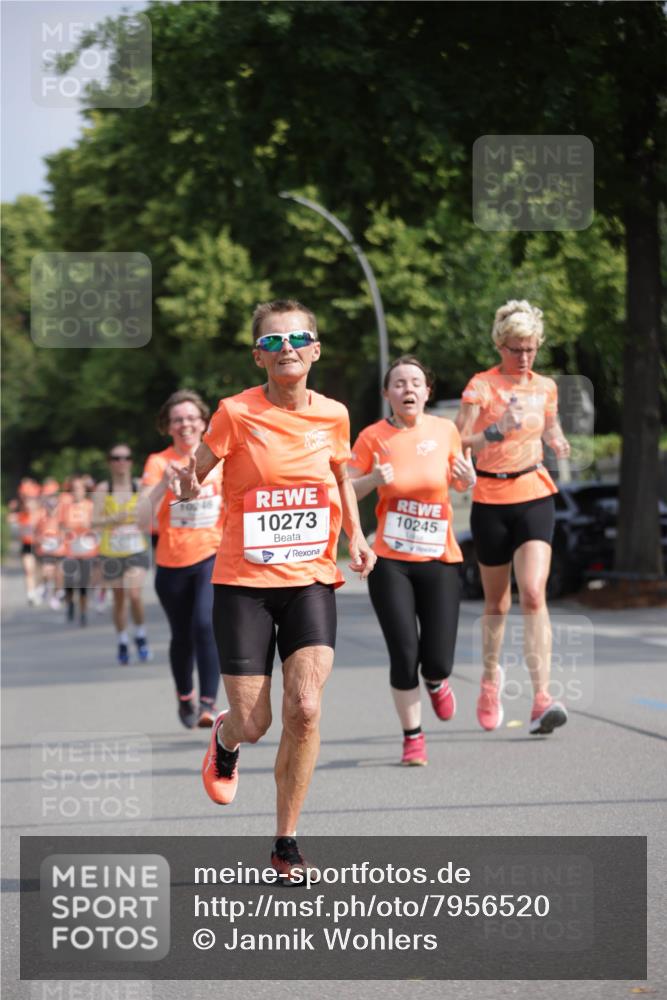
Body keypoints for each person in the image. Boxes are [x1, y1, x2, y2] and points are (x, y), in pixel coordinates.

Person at [174, 299, 375, 878]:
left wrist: (357, 537)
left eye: (298, 339)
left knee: (306, 708)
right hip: (244, 583)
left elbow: (340, 474)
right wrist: (186, 485)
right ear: (258, 355)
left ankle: (286, 841)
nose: (286, 349)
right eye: (273, 342)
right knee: (256, 722)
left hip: (312, 576)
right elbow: (195, 483)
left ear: (315, 349)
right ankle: (226, 736)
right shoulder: (234, 413)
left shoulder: (334, 415)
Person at [349, 356, 476, 766]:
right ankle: (413, 737)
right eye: (399, 383)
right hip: (390, 561)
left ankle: (437, 681)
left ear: (426, 392)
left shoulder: (445, 431)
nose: (408, 389)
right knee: (404, 653)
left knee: (437, 658)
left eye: (416, 382)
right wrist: (373, 480)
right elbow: (346, 489)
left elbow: (456, 481)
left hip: (439, 557)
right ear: (387, 394)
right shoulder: (372, 436)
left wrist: (468, 481)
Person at [456, 300, 571, 735]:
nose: (523, 358)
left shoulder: (545, 387)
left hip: (535, 492)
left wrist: (558, 441)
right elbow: (458, 440)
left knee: (536, 593)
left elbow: (550, 424)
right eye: (515, 349)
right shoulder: (480, 386)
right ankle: (489, 681)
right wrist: (495, 429)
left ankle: (543, 697)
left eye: (530, 349)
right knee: (497, 604)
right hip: (490, 497)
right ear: (500, 345)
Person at [137, 390, 224, 728]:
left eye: (191, 418)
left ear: (203, 423)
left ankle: (207, 704)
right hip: (172, 563)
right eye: (177, 420)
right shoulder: (158, 462)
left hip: (211, 555)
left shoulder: (219, 459)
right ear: (168, 427)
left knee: (205, 624)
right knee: (182, 635)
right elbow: (141, 516)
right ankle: (184, 695)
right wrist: (162, 484)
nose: (185, 424)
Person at [94, 444, 151, 665]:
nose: (121, 462)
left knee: (134, 595)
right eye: (116, 458)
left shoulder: (139, 486)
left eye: (126, 458)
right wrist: (115, 519)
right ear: (109, 461)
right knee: (119, 598)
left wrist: (141, 518)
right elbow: (94, 522)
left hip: (136, 549)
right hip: (111, 552)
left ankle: (141, 635)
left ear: (131, 461)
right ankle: (122, 640)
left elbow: (148, 519)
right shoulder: (103, 488)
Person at [60, 474, 98, 626]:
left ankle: (83, 613)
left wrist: (88, 525)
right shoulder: (65, 507)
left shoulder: (90, 505)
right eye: (74, 488)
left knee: (83, 584)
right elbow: (61, 526)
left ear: (84, 490)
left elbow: (96, 525)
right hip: (70, 549)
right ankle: (70, 604)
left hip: (87, 550)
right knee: (69, 582)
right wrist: (70, 529)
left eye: (79, 488)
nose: (77, 491)